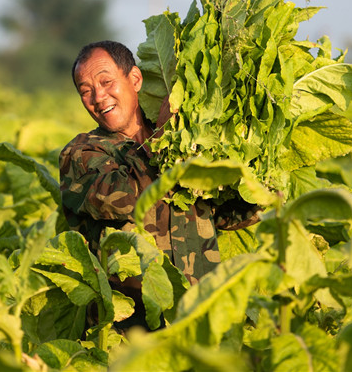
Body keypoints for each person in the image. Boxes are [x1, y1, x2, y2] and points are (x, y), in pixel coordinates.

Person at [58, 40, 259, 331]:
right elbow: (125, 199)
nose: (99, 97)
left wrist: (256, 184)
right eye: (86, 91)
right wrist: (163, 141)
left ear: (135, 79)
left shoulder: (187, 144)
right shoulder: (82, 153)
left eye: (106, 82)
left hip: (203, 319)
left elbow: (226, 214)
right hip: (132, 334)